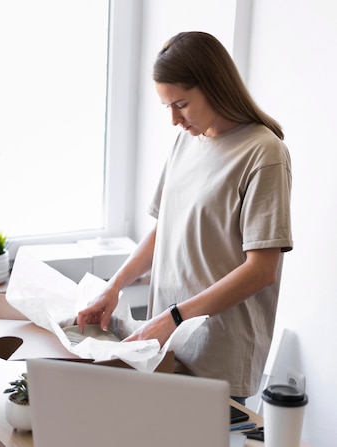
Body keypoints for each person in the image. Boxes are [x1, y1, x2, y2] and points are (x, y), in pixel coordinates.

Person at [76, 31, 292, 403]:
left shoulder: (264, 153)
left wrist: (173, 317)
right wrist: (115, 285)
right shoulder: (187, 141)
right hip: (167, 345)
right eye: (167, 107)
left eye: (182, 104)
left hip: (218, 353)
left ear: (213, 87)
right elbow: (165, 228)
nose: (175, 119)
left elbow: (262, 270)